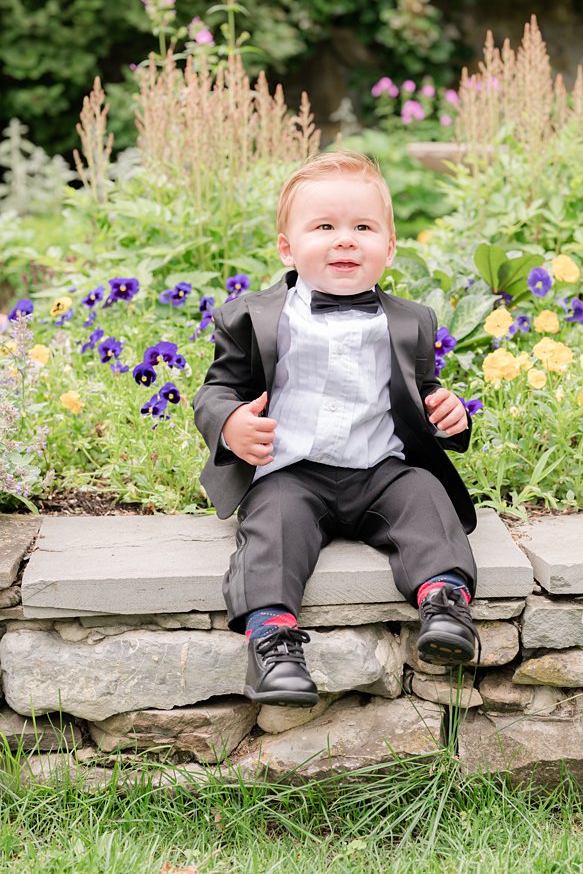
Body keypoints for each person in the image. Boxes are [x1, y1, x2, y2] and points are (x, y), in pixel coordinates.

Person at [192, 149, 479, 707]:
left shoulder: (411, 321)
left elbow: (421, 394)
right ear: (287, 246)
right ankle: (272, 645)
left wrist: (447, 414)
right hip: (290, 474)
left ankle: (445, 605)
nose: (345, 239)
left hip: (381, 471)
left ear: (389, 247)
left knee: (425, 496)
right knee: (272, 528)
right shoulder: (252, 317)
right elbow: (215, 391)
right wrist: (229, 424)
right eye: (324, 226)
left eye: (363, 227)